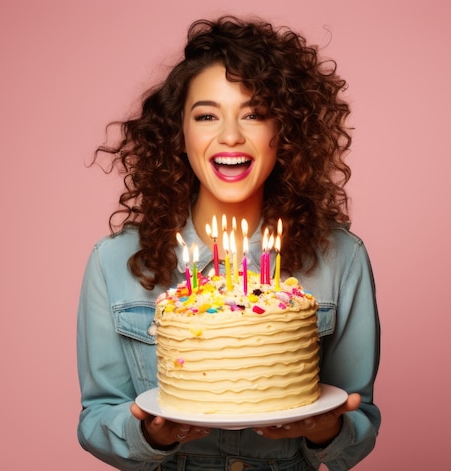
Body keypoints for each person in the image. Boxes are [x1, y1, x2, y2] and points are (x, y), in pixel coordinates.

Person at [77, 15, 380, 471]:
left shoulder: (341, 258)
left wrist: (322, 427)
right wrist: (149, 433)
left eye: (254, 113)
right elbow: (96, 420)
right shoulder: (115, 261)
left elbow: (359, 426)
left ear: (285, 132)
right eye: (206, 116)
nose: (231, 135)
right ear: (179, 133)